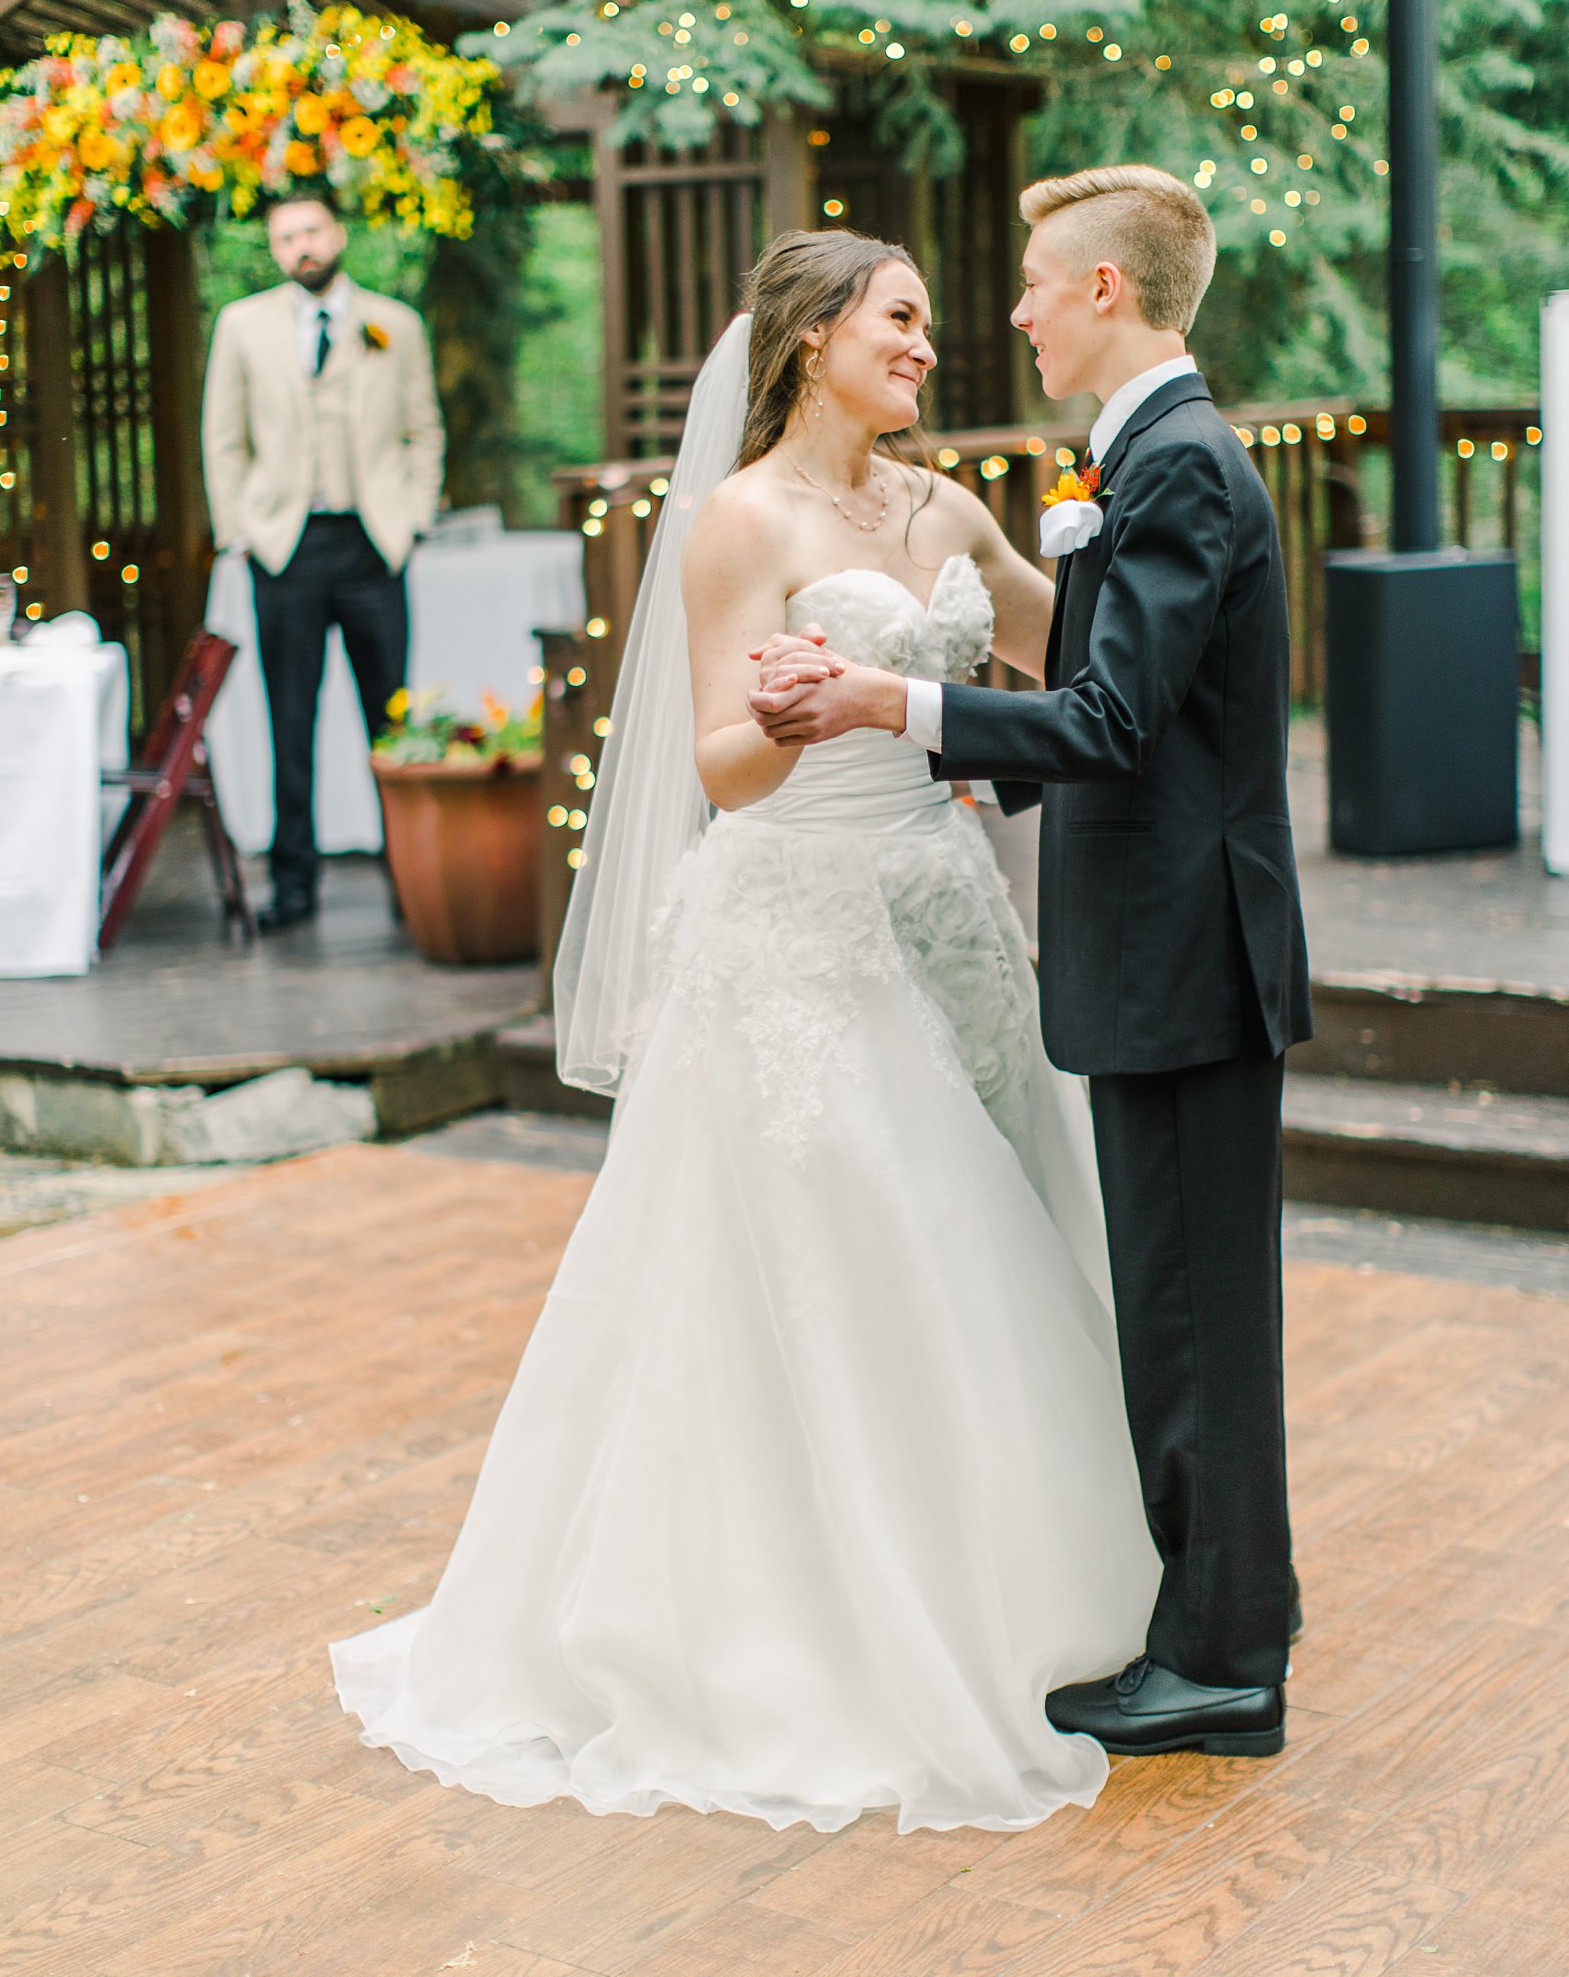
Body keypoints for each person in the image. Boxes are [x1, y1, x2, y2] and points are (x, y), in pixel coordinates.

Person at [331, 229, 1162, 1834]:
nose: (930, 345)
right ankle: (836, 1628)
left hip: (948, 909)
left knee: (1011, 1226)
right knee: (882, 1249)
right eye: (903, 319)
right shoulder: (738, 521)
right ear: (813, 340)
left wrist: (1112, 562)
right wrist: (798, 710)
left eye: (928, 318)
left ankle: (1042, 1597)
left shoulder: (945, 509)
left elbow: (1075, 660)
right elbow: (718, 764)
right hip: (799, 930)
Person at [750, 166, 1312, 1759]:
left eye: (1034, 284)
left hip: (1186, 961)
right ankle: (1236, 1608)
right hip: (1174, 955)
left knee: (1195, 1315)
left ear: (1108, 295)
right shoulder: (1149, 465)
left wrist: (889, 710)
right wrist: (984, 764)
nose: (1014, 313)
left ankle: (1220, 1660)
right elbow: (1126, 706)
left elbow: (1119, 723)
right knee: (1188, 1306)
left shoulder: (1182, 470)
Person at [201, 189, 444, 931]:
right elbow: (224, 438)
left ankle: (410, 878)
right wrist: (241, 530)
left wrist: (411, 522)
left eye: (310, 231)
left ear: (337, 234)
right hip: (285, 547)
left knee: (390, 723)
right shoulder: (241, 327)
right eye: (284, 238)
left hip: (372, 543)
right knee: (290, 718)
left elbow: (422, 430)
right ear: (274, 251)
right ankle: (294, 885)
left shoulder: (393, 325)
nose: (299, 247)